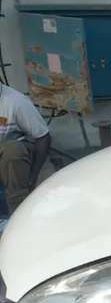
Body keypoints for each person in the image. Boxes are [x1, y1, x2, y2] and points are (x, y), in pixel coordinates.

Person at [0, 83, 51, 215]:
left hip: (8, 158)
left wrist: (33, 176)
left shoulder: (16, 102)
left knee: (12, 151)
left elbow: (43, 137)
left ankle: (18, 213)